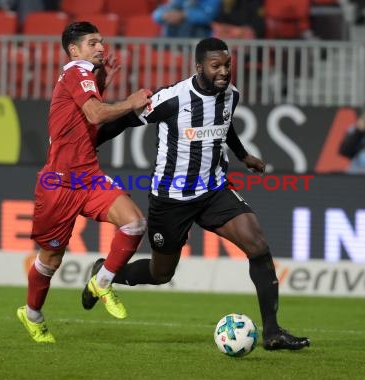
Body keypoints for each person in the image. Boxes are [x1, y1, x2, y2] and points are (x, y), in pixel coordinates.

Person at [82, 37, 311, 351]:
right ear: (199, 66)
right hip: (170, 199)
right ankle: (105, 272)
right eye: (216, 65)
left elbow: (225, 125)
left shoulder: (231, 96)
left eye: (227, 65)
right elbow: (123, 120)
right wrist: (88, 145)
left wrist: (243, 155)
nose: (224, 71)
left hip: (214, 190)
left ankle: (272, 332)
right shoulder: (172, 98)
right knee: (161, 273)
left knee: (258, 246)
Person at [16, 21, 152, 343]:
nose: (101, 47)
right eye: (93, 43)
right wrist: (131, 102)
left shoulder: (85, 75)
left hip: (88, 176)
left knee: (134, 223)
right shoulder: (76, 70)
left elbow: (83, 118)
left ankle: (101, 282)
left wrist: (104, 80)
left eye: (101, 42)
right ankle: (32, 314)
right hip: (58, 183)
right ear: (74, 50)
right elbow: (94, 115)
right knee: (51, 260)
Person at [152, 0, 222, 38]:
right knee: (172, 11)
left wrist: (184, 15)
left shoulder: (213, 1)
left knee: (187, 20)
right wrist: (165, 15)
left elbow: (208, 17)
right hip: (173, 34)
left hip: (199, 35)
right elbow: (156, 15)